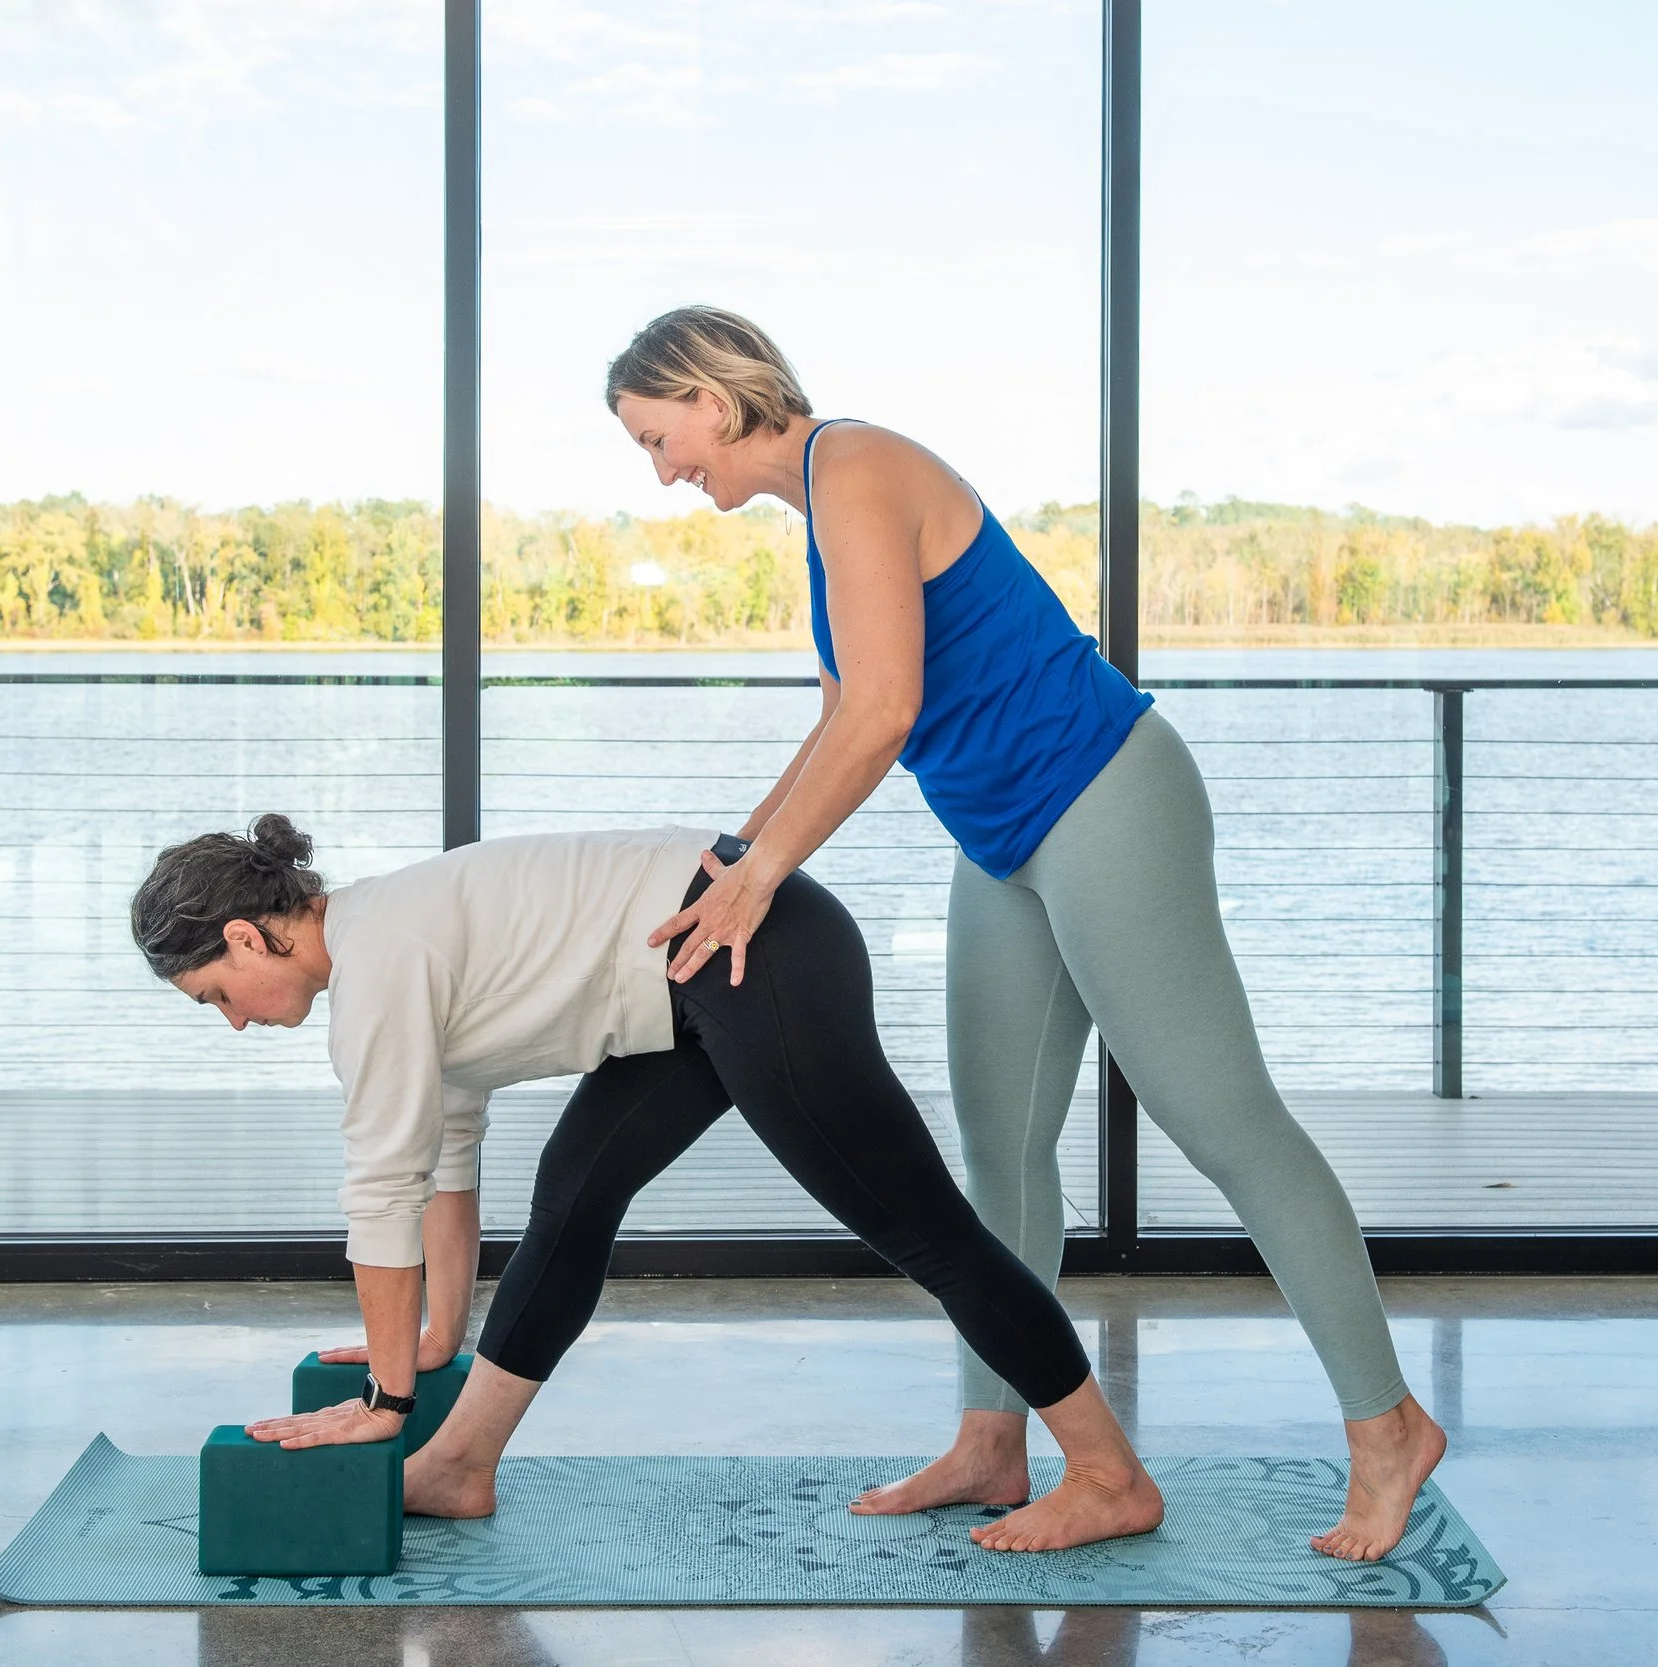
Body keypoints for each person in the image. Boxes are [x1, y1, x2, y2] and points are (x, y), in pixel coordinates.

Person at [607, 305, 1444, 1563]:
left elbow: (887, 712)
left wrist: (762, 878)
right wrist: (731, 858)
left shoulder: (860, 464)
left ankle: (1388, 1428)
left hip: (1103, 793)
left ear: (712, 400)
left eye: (656, 436)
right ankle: (994, 1438)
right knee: (997, 1152)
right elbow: (844, 709)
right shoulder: (823, 515)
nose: (664, 469)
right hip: (1001, 838)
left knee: (1224, 1120)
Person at [130, 814, 1164, 1553]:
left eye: (217, 993)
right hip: (683, 987)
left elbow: (379, 1192)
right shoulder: (380, 953)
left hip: (758, 944)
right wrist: (433, 1340)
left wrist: (386, 1396)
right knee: (573, 1189)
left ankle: (1110, 1478)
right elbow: (439, 1165)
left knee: (927, 1231)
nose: (232, 1019)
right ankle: (459, 1463)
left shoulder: (377, 961)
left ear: (245, 934)